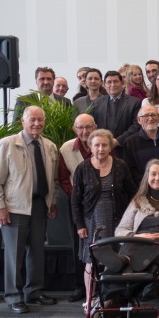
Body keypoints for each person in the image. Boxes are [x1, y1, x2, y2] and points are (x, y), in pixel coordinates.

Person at [0, 106, 59, 313]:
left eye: (40, 120)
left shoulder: (50, 146)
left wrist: (51, 202)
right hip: (14, 208)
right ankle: (13, 296)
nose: (37, 124)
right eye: (32, 120)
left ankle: (34, 292)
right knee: (14, 254)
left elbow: (52, 180)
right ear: (23, 122)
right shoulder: (8, 144)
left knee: (37, 252)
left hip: (39, 205)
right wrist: (0, 208)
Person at [71, 129, 136, 301]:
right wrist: (80, 225)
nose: (101, 148)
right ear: (91, 147)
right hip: (91, 222)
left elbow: (132, 193)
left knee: (113, 260)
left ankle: (109, 297)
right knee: (91, 261)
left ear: (110, 147)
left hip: (118, 220)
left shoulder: (120, 165)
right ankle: (90, 297)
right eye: (97, 145)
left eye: (104, 145)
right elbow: (75, 200)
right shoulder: (82, 168)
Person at [104, 159, 159, 275]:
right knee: (136, 248)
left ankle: (124, 261)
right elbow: (120, 230)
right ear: (147, 176)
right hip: (139, 243)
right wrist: (138, 236)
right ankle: (127, 263)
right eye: (153, 174)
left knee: (153, 249)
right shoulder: (137, 200)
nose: (157, 178)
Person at [57, 113, 98, 302]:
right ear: (74, 129)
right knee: (77, 244)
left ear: (95, 127)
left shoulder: (102, 143)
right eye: (80, 127)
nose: (84, 131)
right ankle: (79, 286)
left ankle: (100, 283)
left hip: (100, 203)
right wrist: (75, 196)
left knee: (100, 242)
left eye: (88, 127)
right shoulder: (66, 148)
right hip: (76, 204)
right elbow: (64, 178)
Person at [122, 104, 159, 186]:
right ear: (139, 120)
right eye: (146, 115)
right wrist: (149, 185)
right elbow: (130, 171)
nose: (150, 118)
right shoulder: (130, 142)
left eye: (153, 115)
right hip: (142, 191)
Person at [89, 70, 142, 157]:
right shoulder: (97, 103)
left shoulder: (134, 102)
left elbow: (137, 125)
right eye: (109, 82)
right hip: (102, 151)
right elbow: (93, 125)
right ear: (104, 84)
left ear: (122, 83)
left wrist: (117, 141)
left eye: (116, 81)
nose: (113, 85)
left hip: (126, 150)